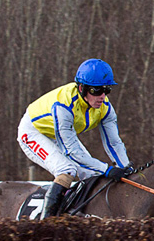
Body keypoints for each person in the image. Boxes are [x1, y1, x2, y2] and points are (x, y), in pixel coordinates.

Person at [17, 58, 134, 218]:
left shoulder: (105, 108)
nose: (102, 96)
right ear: (82, 88)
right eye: (96, 91)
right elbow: (72, 153)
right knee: (66, 169)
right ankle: (46, 222)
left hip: (59, 133)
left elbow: (114, 143)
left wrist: (125, 168)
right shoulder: (63, 106)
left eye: (106, 90)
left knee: (91, 175)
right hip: (33, 132)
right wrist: (107, 170)